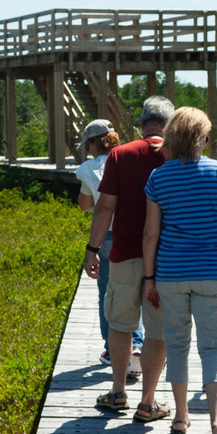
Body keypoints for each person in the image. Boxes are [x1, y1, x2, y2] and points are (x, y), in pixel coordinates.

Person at [142, 106, 217, 434]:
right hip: (214, 273)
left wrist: (149, 278)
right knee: (212, 346)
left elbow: (150, 234)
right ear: (201, 139)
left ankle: (181, 416)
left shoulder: (159, 177)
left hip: (172, 273)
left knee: (177, 344)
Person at [83, 95, 174, 424]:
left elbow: (105, 206)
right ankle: (147, 402)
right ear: (170, 123)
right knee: (157, 330)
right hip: (165, 260)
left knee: (120, 324)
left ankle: (118, 391)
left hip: (123, 255)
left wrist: (92, 249)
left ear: (141, 123)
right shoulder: (178, 155)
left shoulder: (120, 155)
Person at [74, 119, 143, 369]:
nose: (87, 149)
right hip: (135, 232)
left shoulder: (89, 168)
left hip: (107, 236)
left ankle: (112, 350)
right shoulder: (130, 158)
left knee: (108, 292)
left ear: (96, 142)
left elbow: (85, 205)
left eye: (88, 144)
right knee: (136, 289)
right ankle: (137, 343)